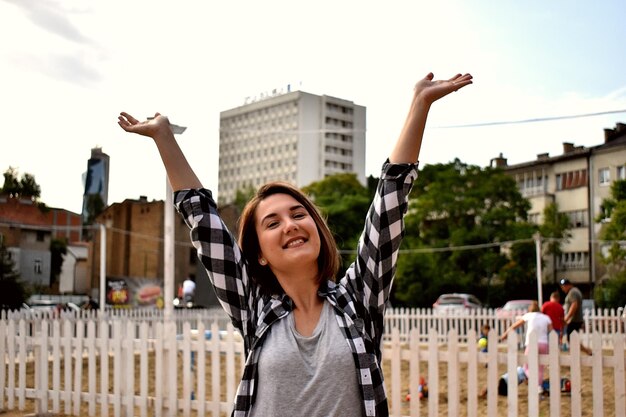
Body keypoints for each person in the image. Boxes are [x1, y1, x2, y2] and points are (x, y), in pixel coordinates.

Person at [118, 72, 473, 417]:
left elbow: (389, 202)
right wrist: (164, 137)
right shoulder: (254, 307)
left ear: (316, 227)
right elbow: (203, 220)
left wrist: (419, 104)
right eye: (272, 223)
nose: (290, 225)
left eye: (298, 214)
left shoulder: (358, 301)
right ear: (258, 253)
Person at [500, 301, 552, 394]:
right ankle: (538, 387)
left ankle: (532, 382)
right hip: (544, 344)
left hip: (532, 344)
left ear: (530, 309)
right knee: (540, 368)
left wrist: (505, 334)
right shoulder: (546, 318)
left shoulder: (528, 315)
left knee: (526, 367)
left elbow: (514, 326)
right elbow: (551, 332)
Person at [559, 278, 592, 355]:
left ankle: (584, 352)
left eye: (563, 286)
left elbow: (574, 305)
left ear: (568, 285)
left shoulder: (572, 292)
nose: (563, 289)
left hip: (574, 320)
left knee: (571, 339)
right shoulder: (575, 291)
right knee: (572, 338)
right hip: (575, 319)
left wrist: (567, 318)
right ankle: (584, 352)